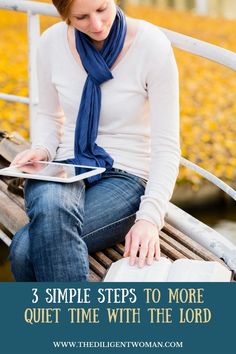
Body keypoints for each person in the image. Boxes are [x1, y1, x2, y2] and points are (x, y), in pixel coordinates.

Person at [9, 0, 180, 281]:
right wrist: (41, 149)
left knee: (25, 250)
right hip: (66, 164)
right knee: (48, 214)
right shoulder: (51, 43)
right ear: (65, 15)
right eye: (82, 17)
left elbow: (167, 146)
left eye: (102, 9)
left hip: (126, 175)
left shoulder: (151, 46)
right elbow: (49, 116)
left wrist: (149, 217)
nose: (97, 25)